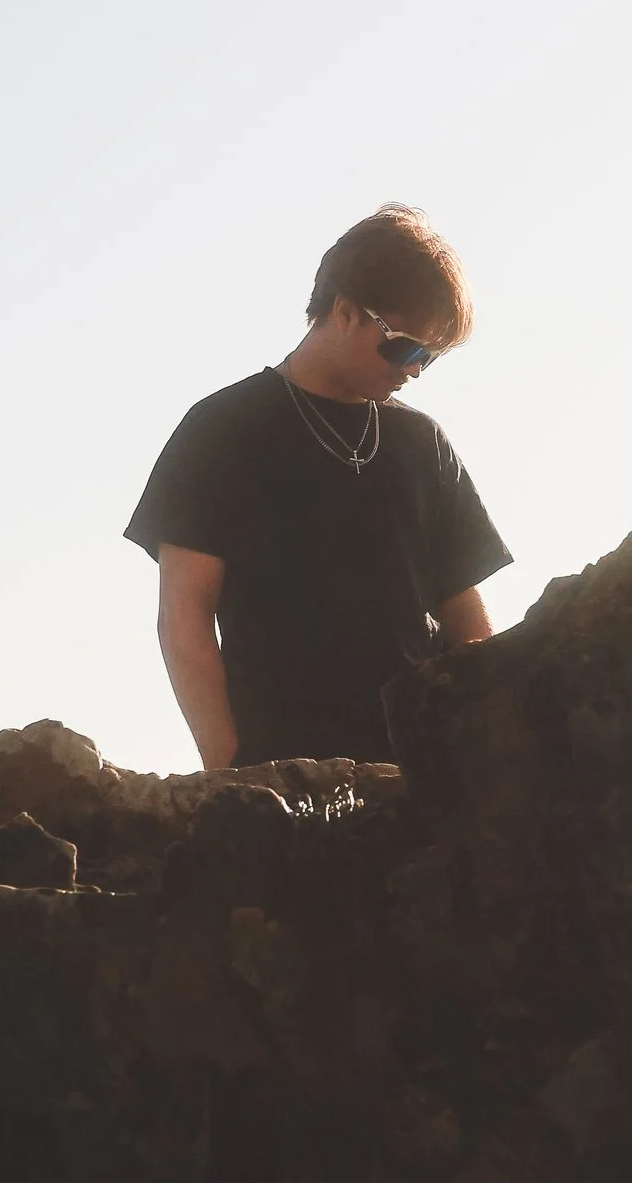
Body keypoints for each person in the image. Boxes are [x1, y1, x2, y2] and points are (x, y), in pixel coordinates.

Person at [125, 205, 510, 770]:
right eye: (405, 347)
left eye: (430, 356)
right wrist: (229, 765)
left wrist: (485, 741)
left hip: (422, 767)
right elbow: (183, 614)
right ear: (347, 310)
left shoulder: (421, 441)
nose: (415, 370)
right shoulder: (223, 429)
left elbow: (466, 615)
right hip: (283, 774)